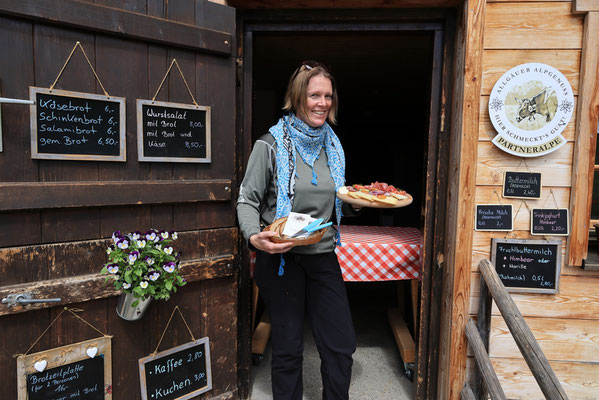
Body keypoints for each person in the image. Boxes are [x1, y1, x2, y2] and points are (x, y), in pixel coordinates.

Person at [237, 60, 356, 400]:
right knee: (288, 347)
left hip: (322, 255)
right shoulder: (270, 145)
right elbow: (247, 200)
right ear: (297, 97)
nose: (322, 103)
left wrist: (358, 202)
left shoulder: (333, 146)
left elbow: (337, 200)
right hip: (281, 258)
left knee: (340, 344)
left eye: (328, 96)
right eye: (314, 95)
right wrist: (253, 237)